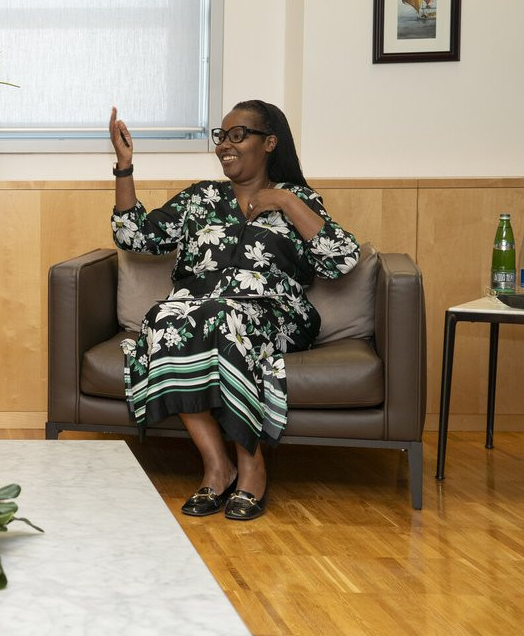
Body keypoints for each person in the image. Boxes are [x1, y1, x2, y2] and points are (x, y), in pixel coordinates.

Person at [109, 99, 358, 520]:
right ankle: (217, 466)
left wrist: (285, 201)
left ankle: (251, 464)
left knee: (222, 317)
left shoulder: (298, 198)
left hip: (273, 313)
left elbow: (342, 259)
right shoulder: (200, 197)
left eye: (237, 135)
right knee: (165, 318)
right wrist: (125, 165)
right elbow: (134, 236)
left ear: (269, 142)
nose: (224, 144)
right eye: (221, 136)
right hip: (199, 311)